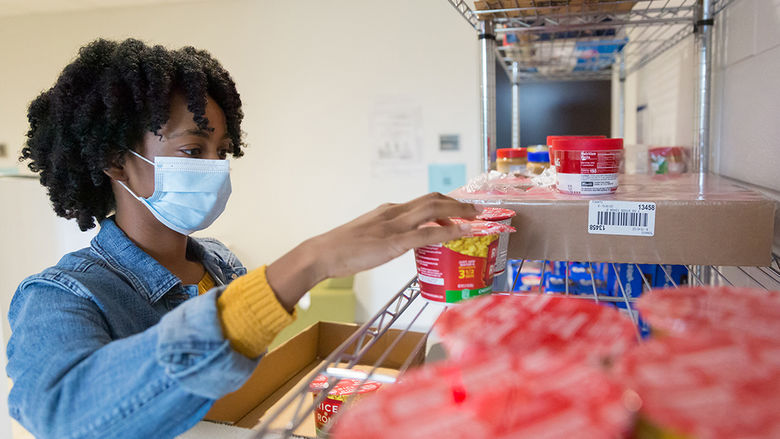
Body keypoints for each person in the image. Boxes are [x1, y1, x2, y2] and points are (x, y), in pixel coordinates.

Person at [6, 38, 478, 439]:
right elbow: (61, 415)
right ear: (114, 160)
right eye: (193, 149)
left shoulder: (218, 262)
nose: (214, 168)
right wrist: (308, 262)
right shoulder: (60, 295)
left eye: (222, 152)